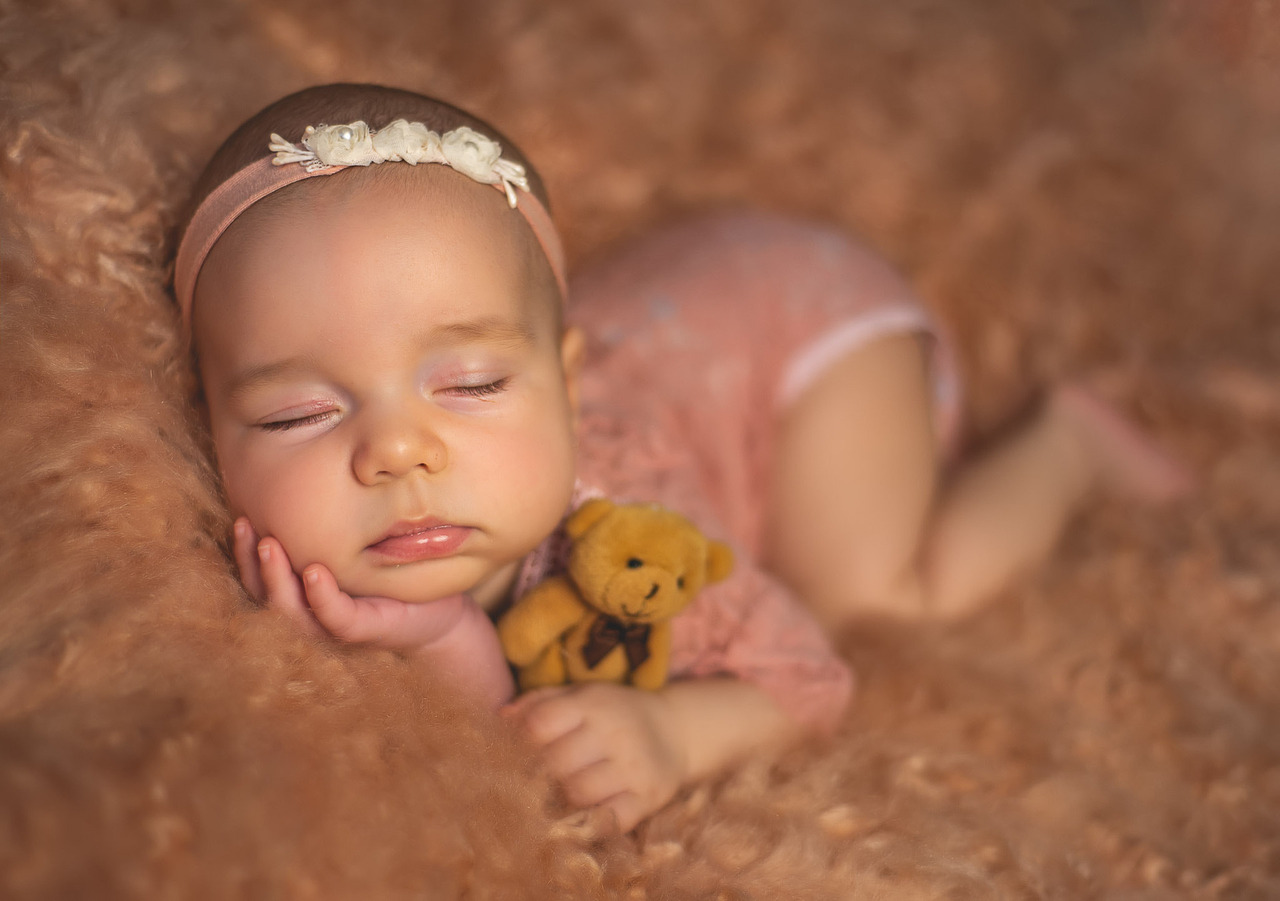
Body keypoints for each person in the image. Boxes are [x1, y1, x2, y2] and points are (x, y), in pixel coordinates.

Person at [174, 83, 1189, 832]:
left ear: (566, 386)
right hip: (683, 301)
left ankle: (1069, 442)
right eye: (297, 412)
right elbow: (487, 688)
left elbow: (808, 679)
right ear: (207, 421)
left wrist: (678, 733)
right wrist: (439, 632)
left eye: (474, 385)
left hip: (802, 334)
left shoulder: (627, 518)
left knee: (879, 600)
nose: (398, 451)